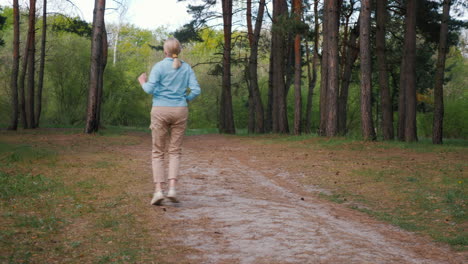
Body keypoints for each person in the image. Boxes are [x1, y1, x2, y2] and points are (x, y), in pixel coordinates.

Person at [138, 37, 201, 205]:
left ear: (165, 51)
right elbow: (196, 90)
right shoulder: (186, 68)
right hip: (180, 110)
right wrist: (185, 99)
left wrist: (142, 82)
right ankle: (172, 189)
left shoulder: (159, 67)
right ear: (178, 51)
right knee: (175, 151)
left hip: (160, 110)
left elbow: (150, 90)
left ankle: (159, 191)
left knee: (158, 152)